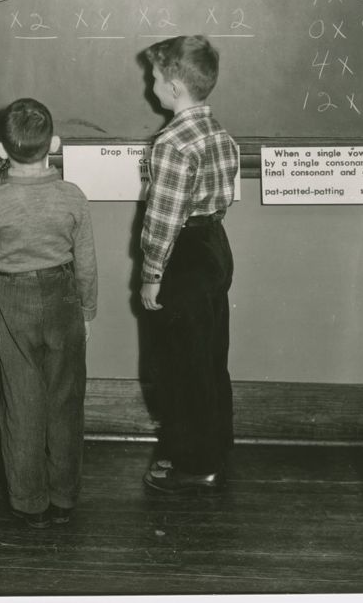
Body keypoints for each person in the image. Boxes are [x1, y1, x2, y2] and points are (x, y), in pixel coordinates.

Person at [0, 98, 98, 529]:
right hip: (63, 296)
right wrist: (87, 311)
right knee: (66, 400)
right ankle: (64, 498)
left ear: (1, 151)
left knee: (21, 402)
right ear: (55, 145)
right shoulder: (73, 196)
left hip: (12, 299)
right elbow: (87, 262)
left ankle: (29, 503)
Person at [137, 35, 238, 493]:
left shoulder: (172, 142)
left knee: (179, 364)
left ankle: (194, 464)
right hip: (214, 244)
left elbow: (162, 219)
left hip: (184, 255)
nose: (150, 84)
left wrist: (152, 276)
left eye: (155, 77)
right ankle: (212, 448)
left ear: (175, 86)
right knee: (210, 357)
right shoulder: (219, 132)